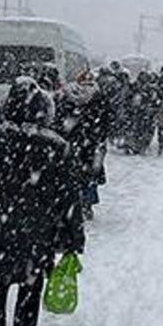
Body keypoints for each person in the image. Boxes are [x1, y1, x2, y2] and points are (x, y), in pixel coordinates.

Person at [0, 78, 85, 326]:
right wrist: (74, 237)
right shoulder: (56, 146)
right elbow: (69, 197)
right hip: (39, 227)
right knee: (30, 279)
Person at [56, 71, 111, 220]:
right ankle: (87, 203)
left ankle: (76, 202)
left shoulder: (69, 97)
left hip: (74, 141)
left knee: (73, 172)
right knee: (91, 173)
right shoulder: (99, 97)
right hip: (92, 143)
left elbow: (61, 120)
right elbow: (107, 120)